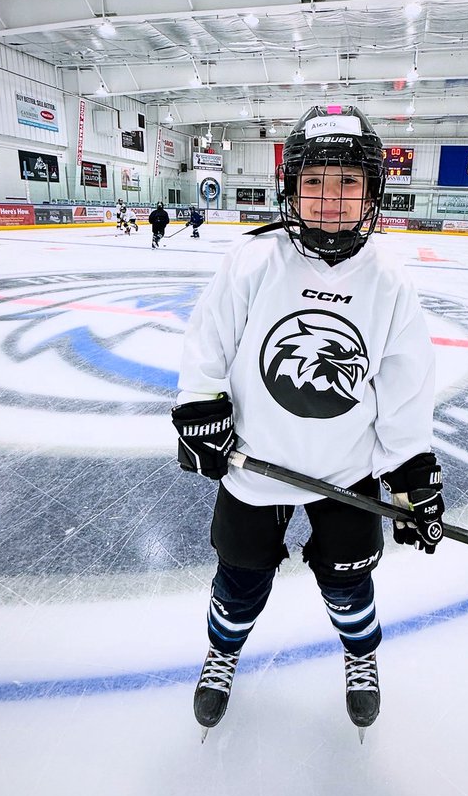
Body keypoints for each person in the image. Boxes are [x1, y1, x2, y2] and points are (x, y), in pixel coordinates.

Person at [171, 105, 443, 739]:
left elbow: (405, 388)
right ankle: (223, 654)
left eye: (348, 182)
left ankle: (361, 657)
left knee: (349, 584)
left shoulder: (390, 281)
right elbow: (208, 342)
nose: (330, 199)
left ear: (374, 190)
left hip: (345, 473)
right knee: (240, 578)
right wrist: (201, 406)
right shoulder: (250, 261)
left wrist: (411, 472)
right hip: (253, 464)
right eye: (315, 181)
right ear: (290, 187)